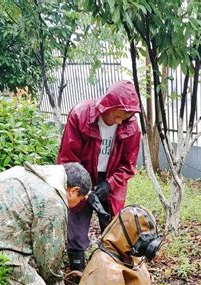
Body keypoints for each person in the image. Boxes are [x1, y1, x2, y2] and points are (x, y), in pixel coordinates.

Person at [57, 80, 141, 273]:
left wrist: (109, 185)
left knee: (112, 227)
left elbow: (128, 166)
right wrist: (84, 188)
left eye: (125, 118)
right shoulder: (80, 115)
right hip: (80, 173)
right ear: (107, 106)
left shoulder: (131, 127)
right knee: (76, 224)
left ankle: (110, 274)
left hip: (112, 178)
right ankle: (78, 274)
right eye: (118, 115)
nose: (121, 121)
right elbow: (68, 159)